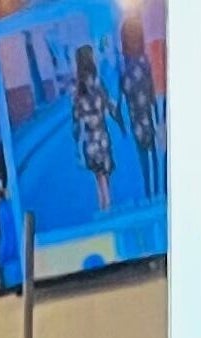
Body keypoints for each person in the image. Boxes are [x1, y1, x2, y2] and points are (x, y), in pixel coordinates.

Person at [71, 43, 115, 215]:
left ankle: (103, 207)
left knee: (99, 177)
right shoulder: (98, 85)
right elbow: (109, 105)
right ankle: (107, 208)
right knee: (106, 175)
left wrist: (77, 147)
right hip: (102, 137)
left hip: (90, 141)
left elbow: (76, 121)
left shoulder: (78, 91)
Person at [122, 38, 162, 199]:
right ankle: (158, 189)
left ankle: (147, 192)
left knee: (143, 156)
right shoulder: (145, 66)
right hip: (147, 115)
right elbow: (152, 93)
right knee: (153, 153)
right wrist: (158, 116)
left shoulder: (126, 71)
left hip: (135, 118)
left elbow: (124, 94)